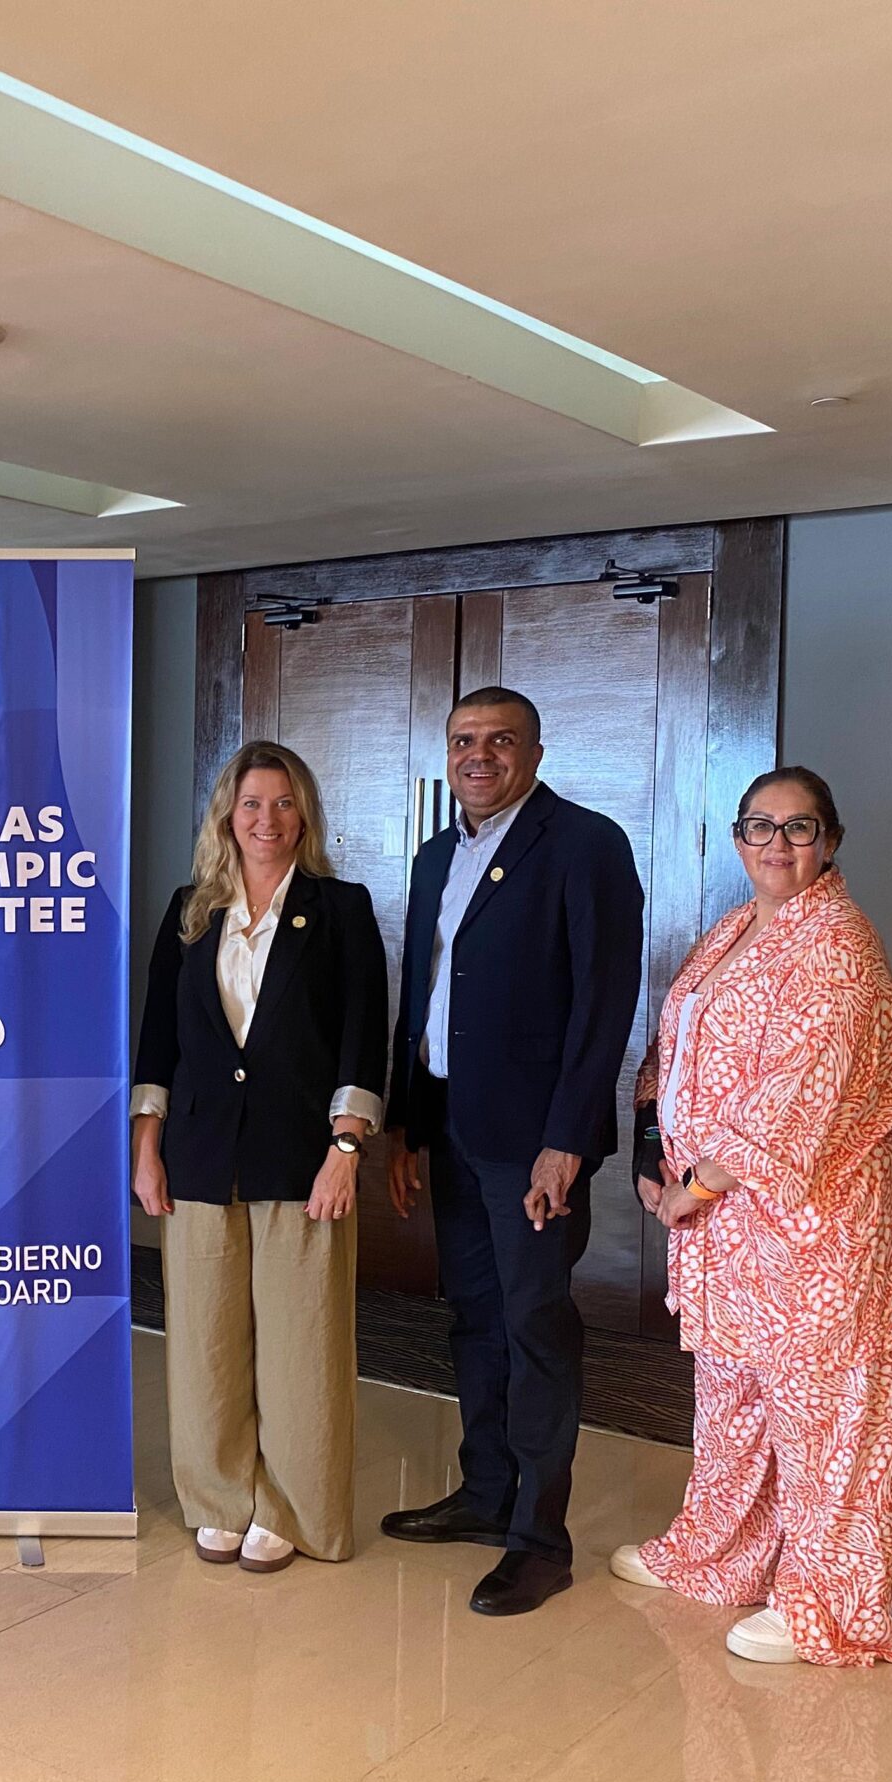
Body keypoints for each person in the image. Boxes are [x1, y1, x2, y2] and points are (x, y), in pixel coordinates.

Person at [610, 768, 892, 1667]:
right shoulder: (735, 928)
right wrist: (648, 1141)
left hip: (814, 1227)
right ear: (738, 838)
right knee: (734, 1401)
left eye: (799, 827)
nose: (778, 845)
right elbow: (673, 1044)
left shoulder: (840, 944)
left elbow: (796, 1095)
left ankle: (828, 1602)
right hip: (727, 1227)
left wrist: (690, 1189)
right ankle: (719, 1554)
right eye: (760, 827)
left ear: (831, 840)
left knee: (826, 1419)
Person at [377, 687, 644, 1616]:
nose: (478, 756)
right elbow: (422, 998)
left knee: (535, 1327)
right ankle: (485, 1493)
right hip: (450, 1126)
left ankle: (540, 1537)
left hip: (533, 1145)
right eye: (463, 741)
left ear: (534, 750)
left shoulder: (584, 844)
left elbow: (604, 1006)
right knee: (475, 1320)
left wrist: (566, 1142)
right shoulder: (436, 856)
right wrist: (406, 1122)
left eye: (499, 741)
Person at [132, 742, 388, 1573]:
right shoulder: (189, 912)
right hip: (201, 1155)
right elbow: (159, 1043)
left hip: (302, 1157)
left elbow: (362, 1039)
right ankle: (218, 1496)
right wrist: (146, 1148)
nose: (267, 820)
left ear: (303, 814)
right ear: (226, 817)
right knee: (203, 1342)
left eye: (283, 804)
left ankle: (293, 1508)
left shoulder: (341, 909)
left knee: (302, 1347)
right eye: (251, 804)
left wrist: (346, 1149)